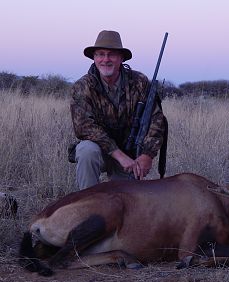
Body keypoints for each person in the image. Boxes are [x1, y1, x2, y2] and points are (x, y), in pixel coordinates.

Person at [70, 30, 166, 190]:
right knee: (86, 150)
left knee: (128, 202)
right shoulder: (82, 86)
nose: (105, 59)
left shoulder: (140, 82)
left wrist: (147, 155)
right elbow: (83, 127)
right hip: (101, 152)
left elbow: (156, 120)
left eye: (111, 55)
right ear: (94, 58)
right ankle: (89, 205)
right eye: (100, 54)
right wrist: (118, 155)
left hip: (130, 154)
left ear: (121, 58)